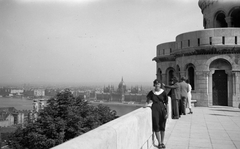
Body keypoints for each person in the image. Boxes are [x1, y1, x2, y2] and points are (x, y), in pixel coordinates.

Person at [145, 79, 168, 148]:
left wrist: (166, 112)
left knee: (162, 126)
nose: (157, 85)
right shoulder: (151, 93)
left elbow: (166, 102)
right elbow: (147, 100)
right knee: (156, 125)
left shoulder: (163, 92)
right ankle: (159, 143)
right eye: (156, 84)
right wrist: (146, 105)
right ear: (154, 85)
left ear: (160, 85)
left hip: (162, 109)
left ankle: (162, 142)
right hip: (155, 109)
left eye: (158, 84)